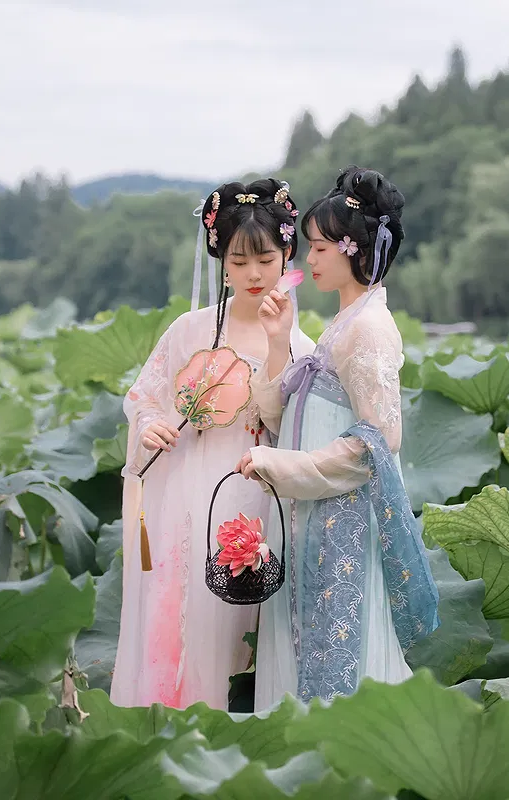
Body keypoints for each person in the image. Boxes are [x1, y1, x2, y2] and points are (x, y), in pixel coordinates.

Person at [235, 166, 440, 710]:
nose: (309, 260)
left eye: (320, 248)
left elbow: (378, 442)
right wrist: (278, 340)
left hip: (342, 519)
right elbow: (278, 412)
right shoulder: (344, 323)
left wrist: (282, 467)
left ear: (354, 250)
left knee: (342, 665)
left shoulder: (369, 328)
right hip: (313, 514)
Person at [110, 177, 315, 710]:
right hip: (185, 491)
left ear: (287, 257)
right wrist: (149, 424)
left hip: (254, 495)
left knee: (242, 629)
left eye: (265, 260)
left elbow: (286, 424)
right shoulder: (188, 330)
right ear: (222, 262)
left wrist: (277, 344)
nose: (254, 274)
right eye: (239, 261)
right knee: (182, 620)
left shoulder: (301, 344)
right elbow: (143, 396)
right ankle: (173, 726)